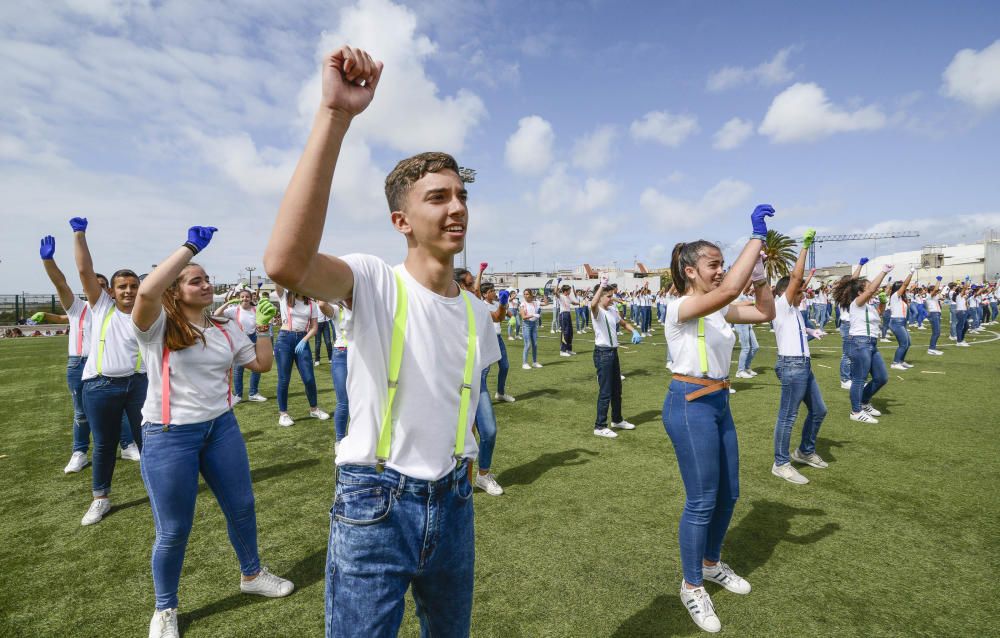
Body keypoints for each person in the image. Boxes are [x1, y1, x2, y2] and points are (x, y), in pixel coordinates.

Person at [263, 45, 500, 638]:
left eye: (461, 196)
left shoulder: (478, 314)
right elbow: (286, 262)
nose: (457, 209)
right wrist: (335, 115)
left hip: (454, 501)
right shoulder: (373, 280)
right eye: (438, 197)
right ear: (401, 221)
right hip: (376, 502)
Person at [133, 226, 293, 638]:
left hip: (221, 428)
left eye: (206, 278)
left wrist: (263, 328)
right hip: (169, 435)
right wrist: (188, 249)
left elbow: (260, 366)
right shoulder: (157, 326)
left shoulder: (223, 327)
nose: (206, 285)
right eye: (195, 279)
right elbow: (147, 292)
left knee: (242, 506)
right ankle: (165, 608)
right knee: (174, 529)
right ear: (177, 289)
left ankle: (252, 574)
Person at [662, 205, 776, 633]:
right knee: (702, 499)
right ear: (690, 271)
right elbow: (729, 291)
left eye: (721, 266)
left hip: (718, 404)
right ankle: (692, 586)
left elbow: (765, 314)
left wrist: (762, 279)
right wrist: (756, 238)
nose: (720, 271)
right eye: (713, 265)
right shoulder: (677, 307)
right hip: (689, 403)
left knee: (730, 494)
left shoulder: (715, 310)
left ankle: (711, 564)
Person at [36, 236, 139, 473]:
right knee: (81, 412)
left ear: (109, 291)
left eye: (103, 286)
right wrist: (48, 260)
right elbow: (61, 284)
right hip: (80, 363)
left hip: (109, 366)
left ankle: (127, 445)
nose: (99, 289)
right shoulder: (77, 307)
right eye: (96, 284)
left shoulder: (116, 310)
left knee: (119, 408)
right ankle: (80, 452)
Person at [72, 217, 147, 526]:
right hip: (101, 387)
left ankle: (158, 489)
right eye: (122, 287)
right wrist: (79, 235)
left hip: (139, 385)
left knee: (149, 440)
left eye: (133, 286)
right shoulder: (102, 307)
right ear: (112, 292)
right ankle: (100, 498)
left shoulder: (149, 311)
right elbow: (84, 272)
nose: (128, 291)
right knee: (104, 444)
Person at [770, 230, 828, 485]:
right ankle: (781, 463)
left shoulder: (794, 311)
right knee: (788, 416)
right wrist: (804, 248)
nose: (803, 293)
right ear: (787, 292)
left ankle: (804, 451)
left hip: (803, 365)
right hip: (791, 366)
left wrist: (812, 332)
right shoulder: (781, 306)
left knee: (819, 410)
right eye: (799, 290)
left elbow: (799, 336)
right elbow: (796, 277)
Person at [833, 263, 894, 423]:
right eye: (867, 288)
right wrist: (883, 271)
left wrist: (882, 302)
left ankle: (864, 401)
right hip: (860, 342)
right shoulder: (856, 303)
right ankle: (855, 411)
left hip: (871, 343)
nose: (872, 290)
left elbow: (879, 314)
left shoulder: (867, 306)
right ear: (860, 292)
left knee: (881, 377)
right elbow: (871, 290)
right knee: (859, 378)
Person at [590, 277, 642, 439]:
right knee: (605, 391)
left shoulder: (612, 310)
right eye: (608, 296)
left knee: (617, 389)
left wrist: (633, 331)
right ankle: (599, 426)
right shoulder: (597, 311)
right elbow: (593, 304)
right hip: (602, 353)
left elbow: (624, 323)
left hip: (613, 353)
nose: (611, 298)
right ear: (601, 296)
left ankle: (617, 420)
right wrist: (602, 286)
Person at [273, 283, 329, 426]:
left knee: (309, 378)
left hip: (302, 340)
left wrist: (304, 340)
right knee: (284, 379)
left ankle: (314, 409)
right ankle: (283, 414)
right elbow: (276, 280)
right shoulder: (284, 297)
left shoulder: (311, 304)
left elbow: (314, 327)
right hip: (285, 339)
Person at [215, 289, 269, 402]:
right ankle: (238, 395)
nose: (245, 299)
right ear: (239, 298)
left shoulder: (256, 309)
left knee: (257, 367)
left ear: (251, 298)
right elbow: (216, 314)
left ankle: (253, 393)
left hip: (254, 338)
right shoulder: (233, 310)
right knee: (238, 369)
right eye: (242, 297)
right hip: (239, 340)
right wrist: (228, 302)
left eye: (247, 297)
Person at [887, 268, 915, 370]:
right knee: (903, 344)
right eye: (903, 288)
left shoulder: (900, 298)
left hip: (901, 322)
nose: (905, 290)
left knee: (908, 343)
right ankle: (895, 363)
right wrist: (911, 273)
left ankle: (901, 361)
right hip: (896, 322)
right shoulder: (895, 295)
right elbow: (905, 285)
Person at [520, 288, 542, 369]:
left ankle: (534, 362)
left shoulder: (534, 303)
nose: (526, 296)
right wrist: (533, 315)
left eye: (527, 294)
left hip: (534, 325)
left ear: (530, 295)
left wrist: (545, 295)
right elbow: (523, 317)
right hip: (527, 325)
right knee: (528, 344)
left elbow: (545, 303)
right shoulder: (522, 304)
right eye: (525, 294)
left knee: (535, 344)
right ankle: (524, 363)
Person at [557, 284, 578, 356]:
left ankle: (568, 349)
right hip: (563, 315)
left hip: (568, 314)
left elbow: (574, 303)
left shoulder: (568, 297)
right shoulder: (561, 296)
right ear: (565, 291)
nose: (570, 291)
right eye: (569, 290)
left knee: (570, 332)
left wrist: (581, 303)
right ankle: (562, 351)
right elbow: (555, 293)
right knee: (565, 332)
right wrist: (558, 283)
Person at [926, 278, 945, 355]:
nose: (937, 292)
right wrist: (938, 280)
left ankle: (932, 348)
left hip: (936, 314)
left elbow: (942, 297)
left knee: (936, 332)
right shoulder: (929, 296)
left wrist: (939, 291)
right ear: (932, 291)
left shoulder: (934, 296)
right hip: (934, 314)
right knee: (936, 332)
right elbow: (936, 289)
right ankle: (931, 349)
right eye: (935, 291)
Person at [314, 301, 334, 366]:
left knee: (328, 342)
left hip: (325, 323)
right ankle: (317, 360)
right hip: (317, 324)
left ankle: (330, 358)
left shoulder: (324, 302)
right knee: (318, 343)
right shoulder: (314, 304)